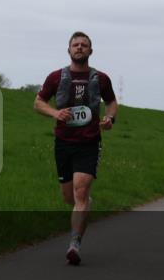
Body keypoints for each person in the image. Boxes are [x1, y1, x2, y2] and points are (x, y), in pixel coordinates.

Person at [34, 31, 118, 266]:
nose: (79, 48)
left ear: (91, 51)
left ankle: (74, 244)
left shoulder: (100, 78)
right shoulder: (56, 77)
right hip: (63, 142)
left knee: (81, 192)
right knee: (68, 196)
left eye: (84, 45)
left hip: (89, 142)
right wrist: (55, 113)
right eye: (75, 45)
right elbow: (38, 102)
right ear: (69, 50)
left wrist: (110, 119)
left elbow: (111, 102)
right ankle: (83, 206)